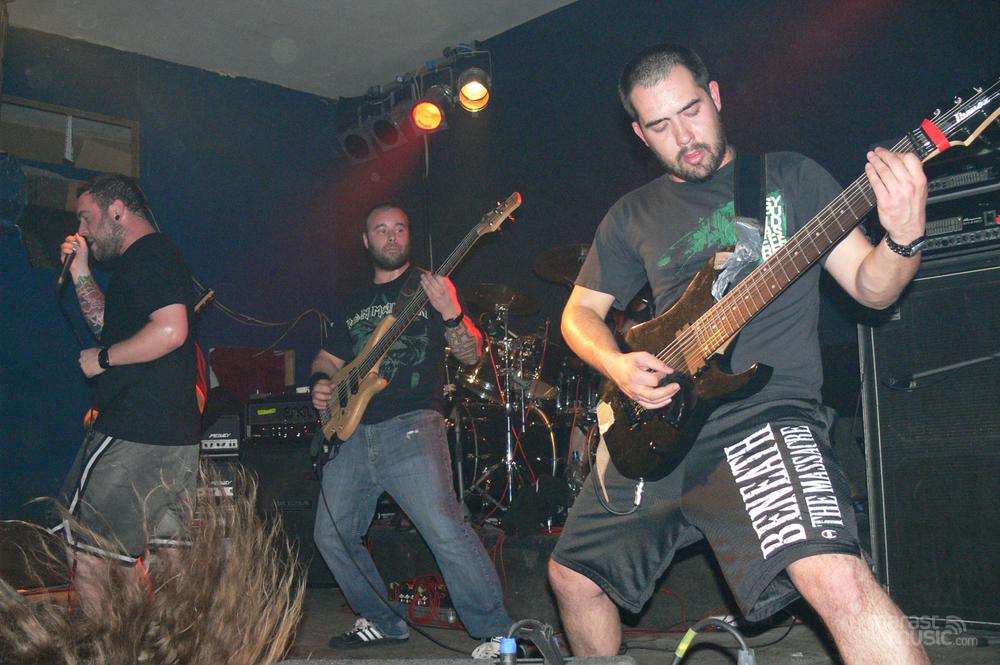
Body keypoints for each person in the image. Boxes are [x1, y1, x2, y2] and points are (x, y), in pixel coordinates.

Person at [548, 44, 930, 665]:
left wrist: (904, 237)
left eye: (691, 111)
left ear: (716, 96)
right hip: (660, 425)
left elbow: (871, 286)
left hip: (762, 416)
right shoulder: (631, 215)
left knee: (837, 581)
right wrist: (617, 364)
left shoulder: (791, 178)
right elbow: (578, 315)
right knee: (572, 577)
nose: (684, 137)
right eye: (661, 126)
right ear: (640, 134)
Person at [310, 204, 512, 659]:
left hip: (411, 426)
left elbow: (471, 355)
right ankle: (383, 620)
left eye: (399, 228)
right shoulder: (352, 302)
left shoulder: (430, 288)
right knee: (331, 535)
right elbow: (327, 359)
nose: (391, 236)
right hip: (352, 432)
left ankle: (498, 634)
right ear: (366, 241)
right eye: (381, 229)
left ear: (409, 236)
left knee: (444, 528)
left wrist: (452, 313)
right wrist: (322, 382)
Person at [53, 174, 200, 617]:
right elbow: (112, 328)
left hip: (133, 428)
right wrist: (81, 272)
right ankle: (171, 643)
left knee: (87, 550)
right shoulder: (149, 260)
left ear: (117, 210)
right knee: (166, 556)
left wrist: (104, 359)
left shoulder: (150, 254)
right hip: (173, 434)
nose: (82, 230)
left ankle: (108, 645)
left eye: (87, 218)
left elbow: (171, 331)